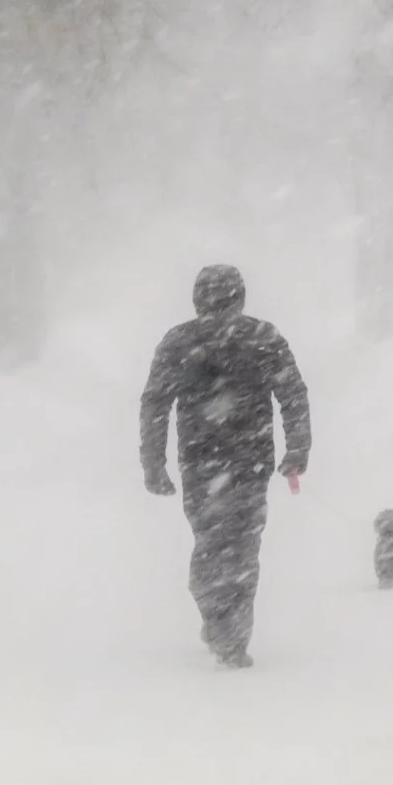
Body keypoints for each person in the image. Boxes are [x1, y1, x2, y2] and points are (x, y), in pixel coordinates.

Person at [140, 264, 311, 669]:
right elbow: (292, 393)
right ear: (241, 296)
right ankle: (232, 628)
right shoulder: (263, 338)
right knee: (244, 546)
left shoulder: (180, 341)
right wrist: (297, 449)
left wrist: (154, 463)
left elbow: (155, 404)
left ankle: (216, 614)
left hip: (200, 461)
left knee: (210, 539)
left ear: (197, 298)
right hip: (250, 460)